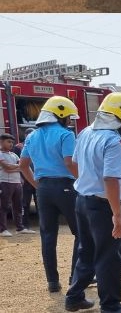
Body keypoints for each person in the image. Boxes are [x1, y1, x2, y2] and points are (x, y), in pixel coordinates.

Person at [64, 91, 121, 313]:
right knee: (108, 256)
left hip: (83, 200)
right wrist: (117, 214)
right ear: (120, 118)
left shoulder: (86, 132)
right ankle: (111, 305)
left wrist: (90, 183)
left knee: (86, 251)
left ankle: (74, 297)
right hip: (102, 205)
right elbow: (110, 178)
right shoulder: (114, 141)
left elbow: (76, 163)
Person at [18, 96, 82, 292]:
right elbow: (69, 163)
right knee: (81, 232)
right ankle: (76, 278)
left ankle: (52, 282)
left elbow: (23, 165)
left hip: (43, 189)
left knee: (48, 235)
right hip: (66, 186)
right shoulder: (66, 134)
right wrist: (84, 180)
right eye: (69, 117)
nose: (70, 121)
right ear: (60, 115)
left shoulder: (32, 136)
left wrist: (37, 186)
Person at [0, 133, 34, 237]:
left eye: (12, 142)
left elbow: (22, 167)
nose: (11, 144)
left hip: (17, 183)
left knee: (18, 206)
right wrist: (17, 167)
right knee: (4, 206)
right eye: (8, 142)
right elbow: (7, 167)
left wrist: (14, 168)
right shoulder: (0, 154)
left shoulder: (14, 155)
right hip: (5, 182)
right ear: (1, 142)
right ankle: (2, 229)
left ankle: (20, 228)